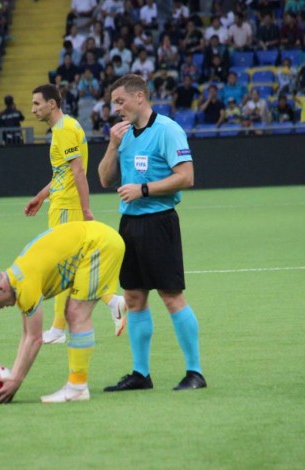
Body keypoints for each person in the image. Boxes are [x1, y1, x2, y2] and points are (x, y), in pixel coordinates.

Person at [98, 74, 206, 393]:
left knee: (171, 296)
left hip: (159, 222)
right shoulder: (123, 135)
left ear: (140, 97)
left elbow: (186, 177)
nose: (116, 109)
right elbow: (104, 180)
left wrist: (143, 189)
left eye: (120, 101)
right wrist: (112, 146)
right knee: (133, 297)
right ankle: (141, 374)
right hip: (129, 224)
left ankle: (195, 372)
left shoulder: (168, 130)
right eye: (114, 103)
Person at [0, 220, 126, 403]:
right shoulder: (17, 278)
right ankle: (77, 385)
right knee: (73, 313)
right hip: (98, 240)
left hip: (100, 245)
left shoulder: (24, 283)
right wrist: (13, 379)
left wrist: (16, 380)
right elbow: (27, 334)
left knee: (76, 314)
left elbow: (35, 338)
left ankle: (77, 388)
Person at [26, 83, 126, 344]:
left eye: (37, 103)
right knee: (72, 266)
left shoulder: (65, 131)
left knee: (61, 267)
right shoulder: (66, 127)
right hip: (62, 204)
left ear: (52, 104)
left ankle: (59, 329)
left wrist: (85, 209)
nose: (33, 109)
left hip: (66, 208)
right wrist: (41, 196)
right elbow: (63, 173)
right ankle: (110, 301)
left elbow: (78, 170)